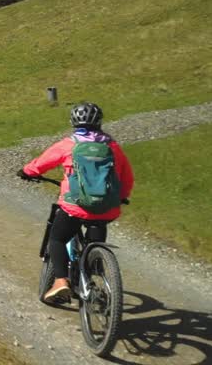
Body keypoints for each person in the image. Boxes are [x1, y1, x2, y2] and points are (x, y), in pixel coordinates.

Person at [19, 102, 134, 304]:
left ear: (73, 122)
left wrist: (27, 172)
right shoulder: (112, 147)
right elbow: (127, 177)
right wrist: (121, 196)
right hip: (107, 208)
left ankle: (61, 281)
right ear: (99, 122)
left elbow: (41, 164)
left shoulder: (69, 144)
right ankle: (95, 266)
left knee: (57, 239)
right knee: (96, 234)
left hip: (75, 207)